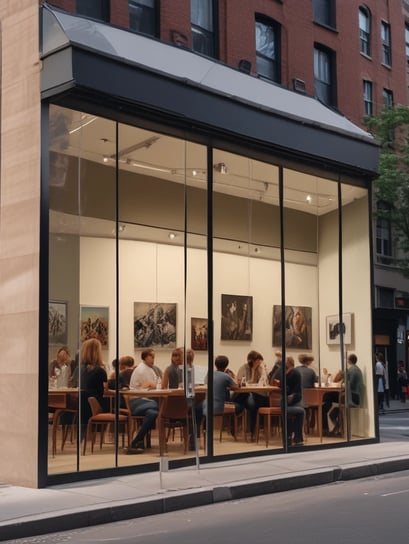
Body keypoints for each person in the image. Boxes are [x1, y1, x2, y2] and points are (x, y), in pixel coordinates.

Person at [127, 349, 159, 454]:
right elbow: (153, 386)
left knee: (153, 412)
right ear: (145, 357)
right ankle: (138, 441)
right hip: (137, 402)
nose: (153, 360)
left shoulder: (149, 369)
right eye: (152, 357)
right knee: (158, 405)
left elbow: (152, 385)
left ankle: (137, 441)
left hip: (144, 402)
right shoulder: (142, 370)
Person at [235, 351, 269, 440]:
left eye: (260, 362)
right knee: (252, 404)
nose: (259, 364)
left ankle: (258, 430)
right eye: (257, 362)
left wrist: (263, 372)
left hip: (257, 394)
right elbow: (243, 383)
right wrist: (253, 371)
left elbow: (264, 382)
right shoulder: (244, 368)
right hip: (244, 395)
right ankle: (252, 432)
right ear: (252, 361)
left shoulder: (260, 368)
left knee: (265, 401)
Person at [79, 338, 109, 432]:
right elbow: (105, 391)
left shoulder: (80, 370)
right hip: (95, 405)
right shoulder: (100, 371)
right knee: (116, 403)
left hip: (82, 405)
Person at [283, 356, 305, 446]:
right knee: (300, 411)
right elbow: (296, 393)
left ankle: (289, 435)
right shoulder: (295, 373)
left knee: (293, 412)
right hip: (287, 402)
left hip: (281, 402)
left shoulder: (281, 374)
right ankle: (297, 438)